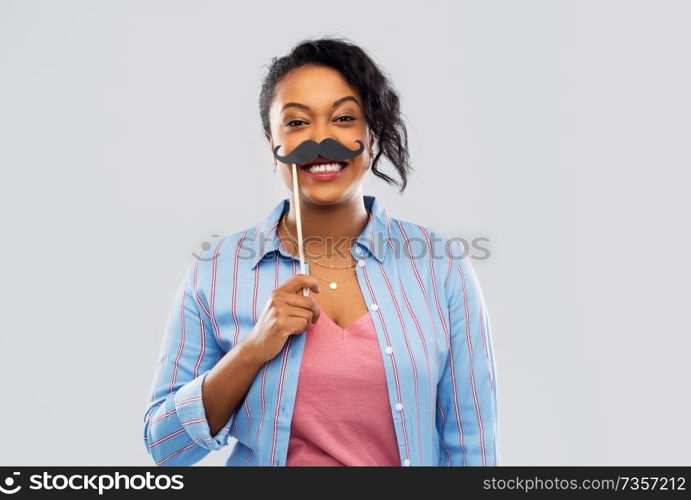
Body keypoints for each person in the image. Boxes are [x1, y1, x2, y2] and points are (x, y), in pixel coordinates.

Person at [143, 36, 499, 467]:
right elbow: (164, 446)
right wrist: (252, 350)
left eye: (344, 117)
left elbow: (472, 448)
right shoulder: (216, 271)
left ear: (372, 133)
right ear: (270, 144)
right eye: (296, 123)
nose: (321, 139)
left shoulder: (441, 268)